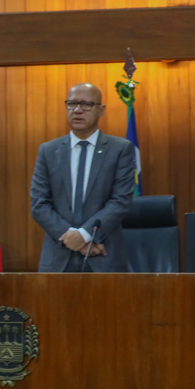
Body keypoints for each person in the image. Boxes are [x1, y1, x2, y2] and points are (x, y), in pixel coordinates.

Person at [30, 83, 136, 272]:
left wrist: (85, 235)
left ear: (101, 110)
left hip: (105, 257)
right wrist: (74, 238)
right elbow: (39, 204)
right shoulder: (48, 150)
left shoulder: (120, 149)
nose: (77, 110)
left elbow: (120, 201)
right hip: (58, 260)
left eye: (86, 105)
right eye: (72, 104)